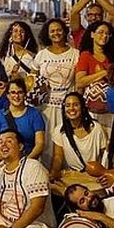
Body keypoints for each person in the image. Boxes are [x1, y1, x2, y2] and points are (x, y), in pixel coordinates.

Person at [34, 18, 78, 160]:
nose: (56, 33)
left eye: (59, 30)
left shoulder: (75, 54)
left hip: (68, 107)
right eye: (52, 31)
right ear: (47, 34)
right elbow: (32, 80)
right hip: (45, 108)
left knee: (67, 143)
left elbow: (78, 82)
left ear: (64, 32)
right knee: (46, 144)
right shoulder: (41, 55)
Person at [49, 92, 107, 181]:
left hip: (94, 176)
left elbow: (105, 154)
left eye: (75, 105)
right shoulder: (59, 130)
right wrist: (54, 171)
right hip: (73, 176)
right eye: (68, 105)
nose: (71, 108)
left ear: (82, 108)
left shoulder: (96, 129)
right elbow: (58, 156)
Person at [0, 78, 45, 160]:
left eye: (20, 92)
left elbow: (40, 143)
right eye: (13, 92)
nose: (16, 96)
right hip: (5, 160)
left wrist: (25, 162)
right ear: (7, 95)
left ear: (25, 94)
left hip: (28, 159)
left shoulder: (35, 114)